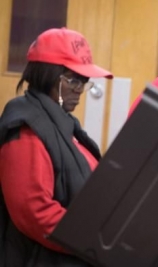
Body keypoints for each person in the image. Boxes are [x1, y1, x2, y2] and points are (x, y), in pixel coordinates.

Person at [0, 28, 113, 266]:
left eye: (84, 81)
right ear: (47, 75)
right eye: (73, 80)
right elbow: (34, 212)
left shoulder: (65, 124)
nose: (79, 89)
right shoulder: (26, 128)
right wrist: (96, 239)